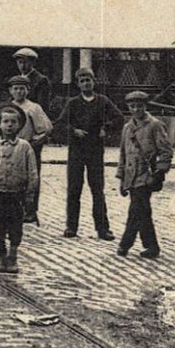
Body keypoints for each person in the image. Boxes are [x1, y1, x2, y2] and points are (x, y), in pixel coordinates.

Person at [53, 67, 123, 239]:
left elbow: (119, 118)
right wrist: (73, 130)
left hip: (95, 150)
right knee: (74, 188)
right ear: (78, 84)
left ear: (94, 81)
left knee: (97, 189)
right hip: (76, 150)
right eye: (82, 80)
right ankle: (71, 227)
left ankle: (103, 228)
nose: (86, 83)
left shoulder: (103, 101)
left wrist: (105, 128)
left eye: (89, 80)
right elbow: (60, 124)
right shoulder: (73, 103)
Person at [0, 104, 38, 274]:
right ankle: (1, 252)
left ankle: (13, 254)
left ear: (19, 125)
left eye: (13, 122)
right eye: (5, 121)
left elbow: (32, 171)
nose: (9, 125)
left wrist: (30, 194)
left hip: (16, 194)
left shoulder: (24, 147)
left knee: (15, 226)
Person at [116, 90, 171, 259]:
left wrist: (160, 172)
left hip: (146, 175)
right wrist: (122, 179)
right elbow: (123, 154)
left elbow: (166, 150)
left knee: (136, 210)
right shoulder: (127, 128)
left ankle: (125, 244)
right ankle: (151, 246)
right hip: (131, 175)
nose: (135, 110)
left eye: (139, 106)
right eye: (132, 106)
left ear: (145, 106)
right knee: (142, 211)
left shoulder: (155, 125)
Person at [6, 75, 52, 223]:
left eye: (22, 88)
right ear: (10, 91)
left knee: (31, 179)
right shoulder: (7, 107)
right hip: (10, 148)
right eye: (16, 89)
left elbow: (45, 129)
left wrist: (35, 142)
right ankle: (12, 209)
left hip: (29, 148)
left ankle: (30, 210)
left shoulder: (33, 107)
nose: (19, 92)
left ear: (28, 90)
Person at [12, 47, 55, 115]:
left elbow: (42, 106)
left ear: (33, 63)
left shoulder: (41, 80)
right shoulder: (16, 79)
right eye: (20, 62)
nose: (22, 66)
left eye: (26, 62)